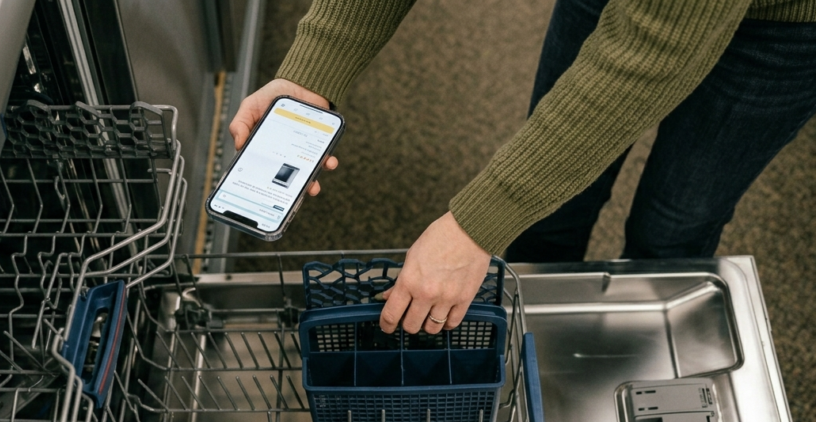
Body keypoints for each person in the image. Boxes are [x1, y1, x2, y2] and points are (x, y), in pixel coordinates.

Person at [229, 0, 816, 336]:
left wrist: (478, 224)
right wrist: (315, 69)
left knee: (677, 218)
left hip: (780, 29)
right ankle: (539, 339)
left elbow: (653, 51)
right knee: (552, 212)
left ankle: (643, 349)